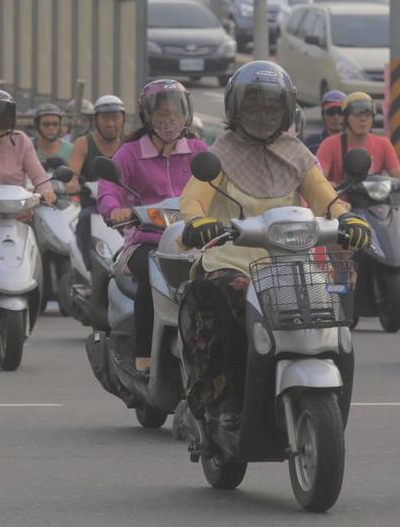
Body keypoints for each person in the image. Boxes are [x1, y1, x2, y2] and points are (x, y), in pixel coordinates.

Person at [177, 61, 370, 425]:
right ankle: (229, 402)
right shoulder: (222, 153)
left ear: (286, 109)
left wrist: (347, 218)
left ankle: (332, 401)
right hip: (230, 263)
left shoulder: (295, 153)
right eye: (254, 104)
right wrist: (198, 222)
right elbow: (193, 200)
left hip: (289, 268)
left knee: (334, 319)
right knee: (235, 318)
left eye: (271, 105)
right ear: (236, 108)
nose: (263, 113)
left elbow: (324, 197)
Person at [97, 80, 208, 373]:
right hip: (145, 239)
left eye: (175, 113)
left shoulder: (198, 150)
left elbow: (220, 186)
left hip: (193, 238)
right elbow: (109, 188)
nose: (169, 121)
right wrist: (115, 210)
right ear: (148, 116)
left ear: (186, 113)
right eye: (162, 115)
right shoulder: (130, 153)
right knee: (155, 273)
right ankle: (143, 356)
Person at [0, 90, 56, 312]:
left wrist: (47, 191)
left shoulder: (22, 142)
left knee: (40, 245)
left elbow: (39, 176)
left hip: (19, 213)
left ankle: (36, 299)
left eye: (5, 114)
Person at [70, 94, 126, 272]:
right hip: (93, 206)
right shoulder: (83, 143)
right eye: (105, 118)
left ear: (123, 119)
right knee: (85, 219)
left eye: (116, 118)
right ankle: (89, 271)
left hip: (124, 207)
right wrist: (72, 182)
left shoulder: (129, 145)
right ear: (96, 120)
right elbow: (73, 173)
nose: (111, 124)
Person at [316, 91, 400, 187]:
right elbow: (319, 176)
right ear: (346, 118)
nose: (363, 119)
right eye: (357, 115)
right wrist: (326, 184)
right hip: (340, 201)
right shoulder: (330, 144)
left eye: (368, 115)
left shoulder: (383, 144)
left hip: (375, 198)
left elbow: (398, 173)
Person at [304, 89, 346, 154]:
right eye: (331, 112)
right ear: (323, 115)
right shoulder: (311, 142)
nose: (336, 117)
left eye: (340, 112)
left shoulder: (353, 141)